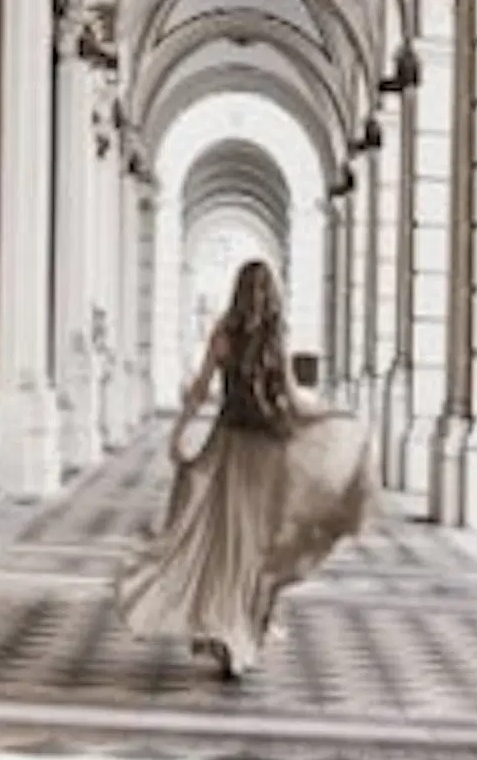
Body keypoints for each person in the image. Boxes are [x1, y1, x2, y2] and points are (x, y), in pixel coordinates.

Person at [119, 259, 373, 679]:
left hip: (231, 448)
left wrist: (179, 433)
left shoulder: (224, 336)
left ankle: (230, 628)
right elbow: (291, 397)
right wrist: (329, 417)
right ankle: (242, 632)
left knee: (227, 542)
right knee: (259, 544)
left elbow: (200, 391)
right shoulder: (275, 339)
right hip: (267, 451)